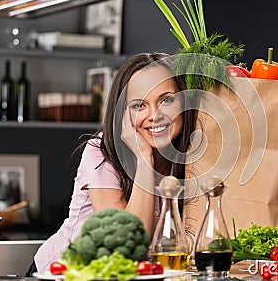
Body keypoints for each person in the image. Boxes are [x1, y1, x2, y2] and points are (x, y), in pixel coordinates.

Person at [27, 52, 197, 275]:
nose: (155, 115)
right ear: (122, 113)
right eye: (139, 105)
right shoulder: (100, 152)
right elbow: (126, 244)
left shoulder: (192, 155)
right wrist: (144, 160)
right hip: (65, 274)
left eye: (166, 100)